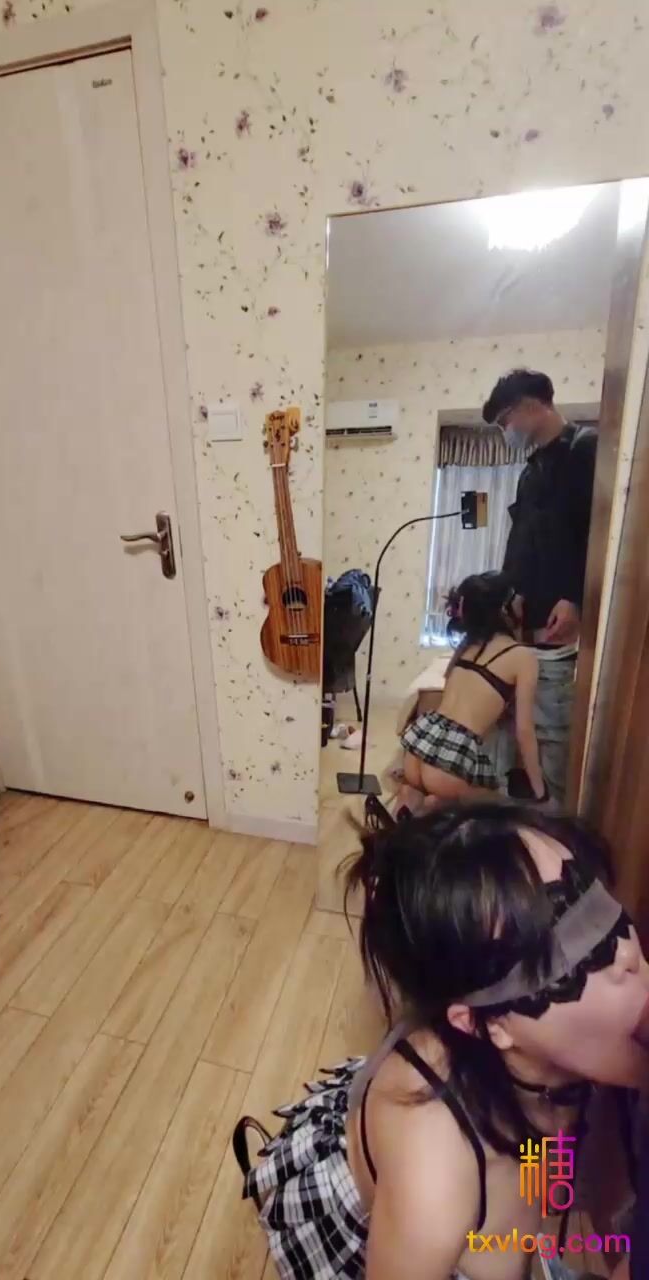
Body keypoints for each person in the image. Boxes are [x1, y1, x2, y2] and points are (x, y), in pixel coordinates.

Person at [234, 805, 649, 1280]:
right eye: (572, 960)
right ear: (486, 1023)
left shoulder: (556, 1057)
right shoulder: (433, 1175)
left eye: (603, 911)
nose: (628, 954)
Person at [482, 369, 598, 803]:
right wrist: (511, 593)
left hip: (562, 618)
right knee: (516, 724)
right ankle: (517, 816)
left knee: (550, 729)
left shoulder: (585, 450)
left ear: (531, 406)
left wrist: (575, 597)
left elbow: (593, 532)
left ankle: (551, 824)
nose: (506, 432)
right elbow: (522, 541)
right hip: (527, 616)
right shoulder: (531, 471)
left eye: (505, 420)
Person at [401, 570, 544, 803]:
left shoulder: (468, 643)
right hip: (450, 761)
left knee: (430, 797)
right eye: (516, 596)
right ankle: (437, 803)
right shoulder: (523, 657)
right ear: (504, 608)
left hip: (421, 743)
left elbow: (449, 683)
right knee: (498, 806)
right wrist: (541, 792)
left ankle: (416, 799)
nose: (522, 601)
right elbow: (524, 731)